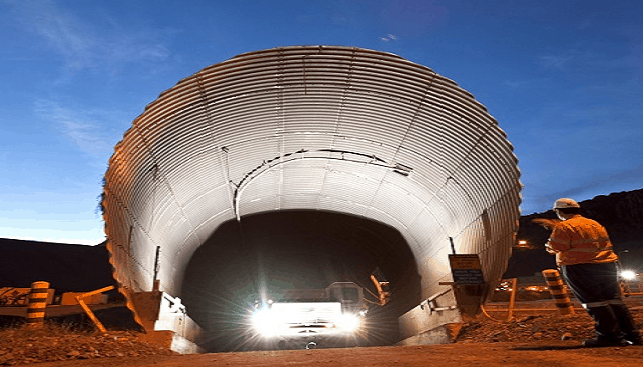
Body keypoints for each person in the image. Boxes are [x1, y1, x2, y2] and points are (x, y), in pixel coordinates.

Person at [538, 198, 641, 347]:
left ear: (558, 212)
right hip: (607, 265)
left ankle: (609, 336)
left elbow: (555, 247)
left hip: (580, 267)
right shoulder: (594, 223)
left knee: (595, 302)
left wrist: (548, 242)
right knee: (614, 301)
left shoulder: (564, 227)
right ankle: (632, 335)